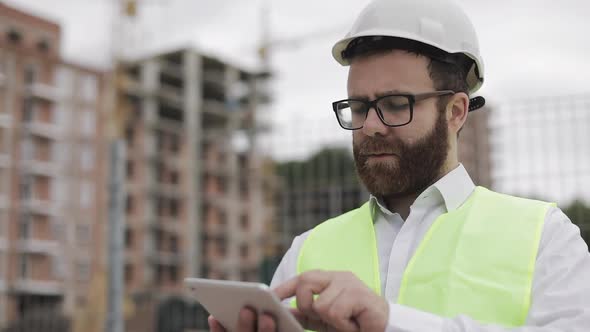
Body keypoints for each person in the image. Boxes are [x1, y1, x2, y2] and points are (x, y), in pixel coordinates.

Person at [209, 0, 590, 331]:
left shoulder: (544, 237)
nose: (370, 127)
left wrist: (390, 322)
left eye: (395, 104)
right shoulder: (307, 250)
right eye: (359, 107)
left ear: (455, 112)